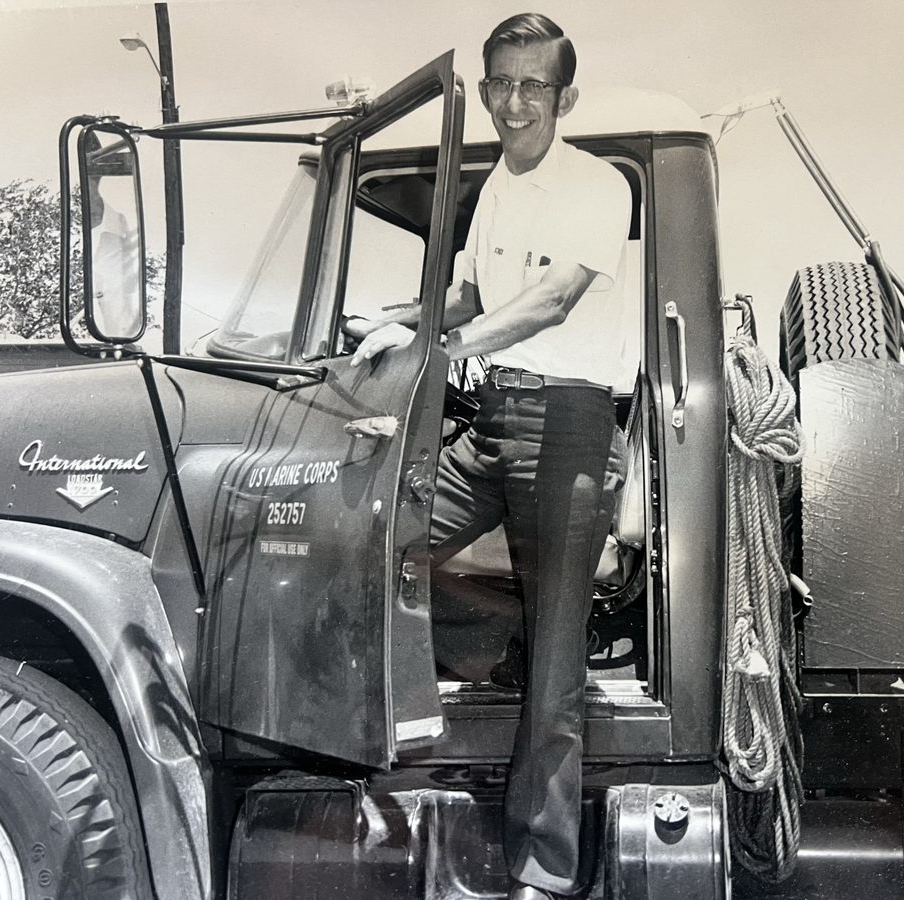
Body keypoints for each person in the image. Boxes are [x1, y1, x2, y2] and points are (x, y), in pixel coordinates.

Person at [345, 13, 632, 899]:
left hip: (569, 432)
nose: (513, 102)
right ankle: (476, 660)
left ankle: (542, 871)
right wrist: (404, 323)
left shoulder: (598, 184)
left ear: (564, 97)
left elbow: (549, 303)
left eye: (532, 86)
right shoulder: (495, 187)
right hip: (493, 425)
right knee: (375, 549)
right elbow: (468, 289)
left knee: (556, 666)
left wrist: (445, 348)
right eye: (500, 83)